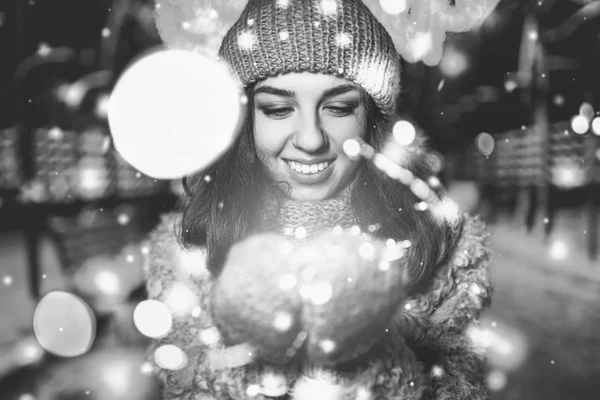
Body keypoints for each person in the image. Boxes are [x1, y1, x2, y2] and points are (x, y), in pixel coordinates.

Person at [143, 0, 492, 399]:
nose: (310, 139)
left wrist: (377, 367)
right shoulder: (186, 264)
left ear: (373, 119)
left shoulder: (444, 254)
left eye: (339, 107)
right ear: (244, 121)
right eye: (277, 109)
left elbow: (459, 385)